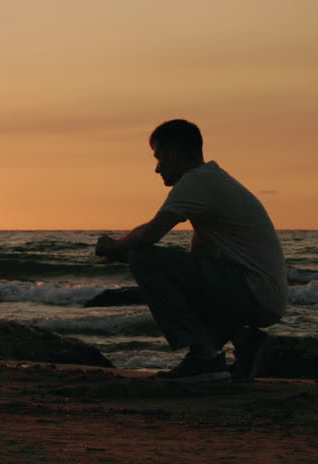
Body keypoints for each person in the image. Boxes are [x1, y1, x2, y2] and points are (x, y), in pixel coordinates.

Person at [95, 119, 288, 382]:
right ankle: (244, 341)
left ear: (175, 153)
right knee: (175, 274)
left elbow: (150, 233)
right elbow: (201, 262)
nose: (157, 168)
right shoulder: (211, 183)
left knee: (144, 258)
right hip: (264, 297)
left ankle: (204, 358)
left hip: (255, 291)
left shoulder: (197, 181)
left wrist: (116, 247)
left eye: (159, 157)